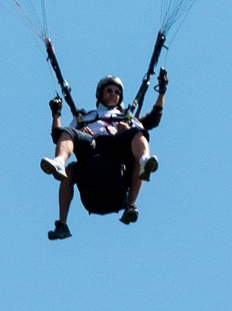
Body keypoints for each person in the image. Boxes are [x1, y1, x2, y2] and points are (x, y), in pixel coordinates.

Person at [40, 69, 168, 240]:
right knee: (69, 138)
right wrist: (56, 113)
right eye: (109, 90)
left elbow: (154, 119)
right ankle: (59, 166)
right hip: (92, 155)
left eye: (117, 92)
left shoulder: (127, 118)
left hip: (117, 159)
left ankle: (133, 200)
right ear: (100, 94)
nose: (113, 94)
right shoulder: (85, 117)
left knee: (138, 132)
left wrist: (161, 92)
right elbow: (58, 135)